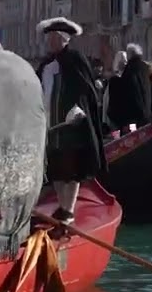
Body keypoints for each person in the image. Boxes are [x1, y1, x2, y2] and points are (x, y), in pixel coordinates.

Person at [36, 16, 105, 225]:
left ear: (63, 39)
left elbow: (86, 90)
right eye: (49, 38)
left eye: (54, 38)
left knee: (72, 169)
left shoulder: (75, 59)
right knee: (55, 169)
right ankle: (62, 206)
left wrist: (78, 109)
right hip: (50, 124)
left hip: (71, 123)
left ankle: (69, 209)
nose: (50, 42)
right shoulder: (46, 64)